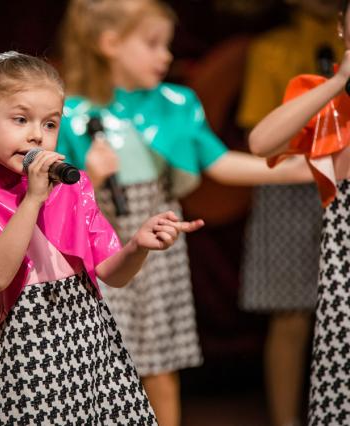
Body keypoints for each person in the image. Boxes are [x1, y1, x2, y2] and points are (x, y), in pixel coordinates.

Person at [57, 1, 312, 425]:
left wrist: (302, 170)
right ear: (109, 43)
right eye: (153, 44)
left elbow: (220, 162)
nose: (166, 56)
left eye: (167, 45)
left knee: (159, 366)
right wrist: (90, 177)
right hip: (97, 246)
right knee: (97, 363)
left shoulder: (177, 103)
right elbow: (50, 203)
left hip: (157, 248)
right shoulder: (71, 113)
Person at [0, 51, 204, 425]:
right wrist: (33, 198)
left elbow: (113, 273)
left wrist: (138, 245)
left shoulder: (73, 190)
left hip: (96, 353)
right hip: (35, 362)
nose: (35, 135)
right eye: (20, 119)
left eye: (49, 124)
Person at [237, 1, 342, 425]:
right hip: (291, 186)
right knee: (291, 313)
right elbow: (257, 135)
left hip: (340, 183)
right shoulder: (272, 48)